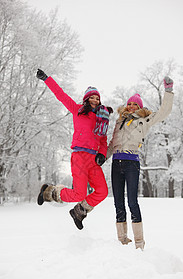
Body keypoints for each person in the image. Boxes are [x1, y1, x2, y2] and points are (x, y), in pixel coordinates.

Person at [36, 69, 113, 230]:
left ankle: (79, 211)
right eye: (92, 97)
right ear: (86, 99)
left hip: (94, 160)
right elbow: (61, 95)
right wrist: (47, 79)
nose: (95, 100)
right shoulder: (77, 110)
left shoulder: (102, 119)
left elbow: (103, 140)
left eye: (97, 98)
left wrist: (102, 154)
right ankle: (48, 191)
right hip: (79, 157)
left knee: (102, 191)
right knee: (79, 194)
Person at [106, 76, 174, 249]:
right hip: (116, 163)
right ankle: (122, 240)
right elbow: (112, 143)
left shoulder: (144, 120)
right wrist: (101, 158)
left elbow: (163, 112)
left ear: (140, 107)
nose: (131, 106)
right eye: (130, 104)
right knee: (118, 202)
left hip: (131, 164)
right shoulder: (120, 121)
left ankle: (139, 243)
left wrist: (168, 91)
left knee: (132, 202)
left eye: (135, 104)